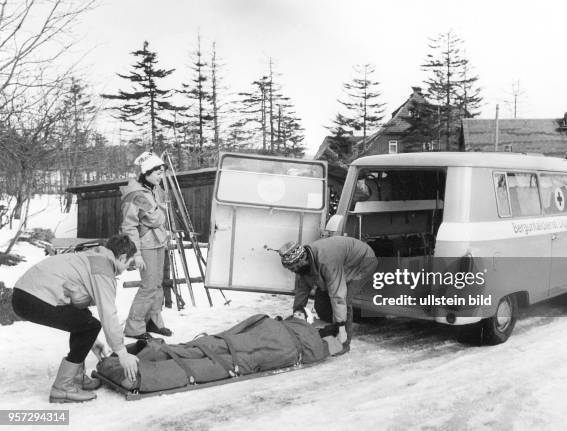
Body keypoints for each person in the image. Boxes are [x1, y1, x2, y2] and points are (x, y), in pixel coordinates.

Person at [11, 235, 140, 403]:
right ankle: (62, 388)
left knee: (85, 322)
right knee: (90, 326)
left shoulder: (93, 257)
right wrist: (122, 353)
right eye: (129, 264)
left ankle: (76, 378)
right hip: (32, 297)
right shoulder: (103, 268)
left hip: (24, 294)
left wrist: (90, 342)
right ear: (122, 257)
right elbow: (108, 313)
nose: (125, 270)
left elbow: (77, 306)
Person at [96, 311, 344, 392]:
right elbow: (335, 346)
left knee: (202, 349)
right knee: (215, 361)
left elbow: (252, 323)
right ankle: (138, 373)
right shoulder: (317, 343)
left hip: (261, 340)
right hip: (271, 347)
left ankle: (137, 358)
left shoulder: (296, 323)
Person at [278, 236, 378, 353]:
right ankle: (331, 333)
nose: (294, 271)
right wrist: (298, 312)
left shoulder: (326, 261)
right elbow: (302, 290)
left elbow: (338, 296)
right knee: (321, 304)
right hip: (341, 263)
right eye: (291, 269)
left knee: (344, 300)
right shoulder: (304, 264)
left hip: (362, 262)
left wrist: (341, 326)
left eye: (295, 268)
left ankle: (343, 342)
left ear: (303, 260)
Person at [120, 151, 173, 340]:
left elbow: (157, 217)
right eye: (158, 173)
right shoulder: (135, 195)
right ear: (146, 173)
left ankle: (153, 321)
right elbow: (129, 226)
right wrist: (137, 254)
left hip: (158, 242)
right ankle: (134, 327)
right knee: (148, 286)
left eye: (162, 173)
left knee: (157, 285)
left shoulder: (152, 189)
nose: (161, 177)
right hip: (146, 246)